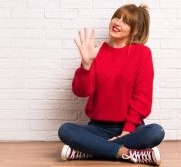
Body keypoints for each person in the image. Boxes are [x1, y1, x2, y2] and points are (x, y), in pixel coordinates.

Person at [57, 3, 164, 165]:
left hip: (131, 129)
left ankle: (88, 151)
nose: (117, 22)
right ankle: (126, 153)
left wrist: (127, 130)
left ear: (135, 31)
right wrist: (86, 65)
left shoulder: (142, 53)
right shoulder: (96, 52)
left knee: (156, 132)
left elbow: (142, 97)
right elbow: (81, 91)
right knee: (65, 130)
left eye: (125, 21)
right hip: (97, 128)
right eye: (117, 17)